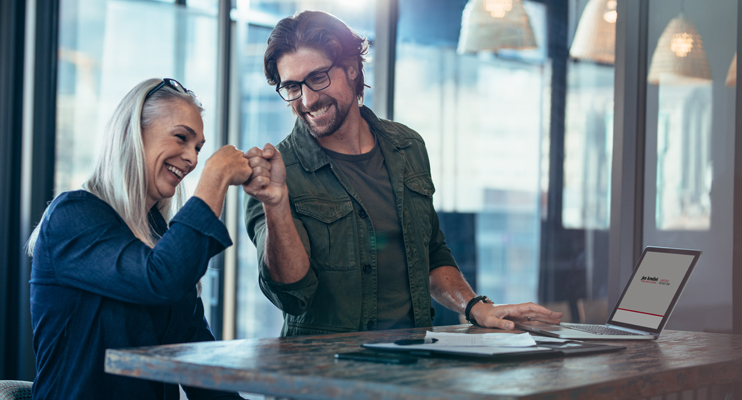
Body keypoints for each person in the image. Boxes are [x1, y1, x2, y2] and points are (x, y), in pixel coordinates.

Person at [243, 10, 562, 337]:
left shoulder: (407, 147)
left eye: (318, 77)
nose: (307, 99)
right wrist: (276, 205)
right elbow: (290, 295)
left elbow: (430, 253)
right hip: (321, 375)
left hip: (412, 364)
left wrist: (473, 306)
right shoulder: (275, 176)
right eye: (292, 87)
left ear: (352, 69)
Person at [27, 78, 247, 399]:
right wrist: (215, 177)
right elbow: (160, 279)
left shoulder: (163, 239)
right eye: (181, 138)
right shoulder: (72, 216)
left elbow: (197, 356)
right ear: (134, 133)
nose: (193, 158)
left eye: (198, 148)